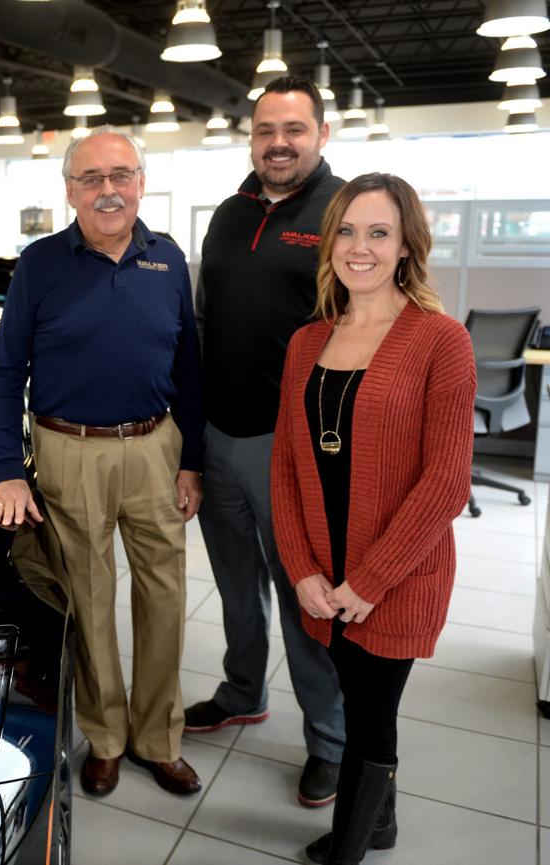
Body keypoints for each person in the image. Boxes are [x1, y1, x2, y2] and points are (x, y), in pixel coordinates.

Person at [0, 128, 204, 797]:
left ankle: (157, 737)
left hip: (156, 445)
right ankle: (105, 737)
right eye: (91, 178)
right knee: (89, 596)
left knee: (164, 594)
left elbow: (189, 369)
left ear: (140, 181)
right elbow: (3, 374)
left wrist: (191, 458)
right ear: (70, 190)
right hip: (67, 448)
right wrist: (7, 468)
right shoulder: (41, 264)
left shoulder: (168, 259)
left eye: (121, 174)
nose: (108, 190)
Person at [271, 172, 475, 864]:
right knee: (357, 699)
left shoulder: (440, 342)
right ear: (330, 244)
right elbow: (288, 469)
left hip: (393, 577)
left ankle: (349, 850)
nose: (361, 247)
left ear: (407, 246)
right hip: (323, 576)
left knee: (369, 719)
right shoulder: (307, 343)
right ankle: (381, 823)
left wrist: (368, 582)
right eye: (348, 231)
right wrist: (302, 570)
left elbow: (446, 482)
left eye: (379, 232)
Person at [186, 76, 347, 808]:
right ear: (251, 138)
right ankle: (241, 689)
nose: (279, 144)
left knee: (303, 597)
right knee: (234, 585)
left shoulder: (344, 213)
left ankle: (331, 741)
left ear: (321, 133)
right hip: (218, 434)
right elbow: (204, 321)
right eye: (265, 131)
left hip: (293, 446)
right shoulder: (228, 213)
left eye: (294, 129)